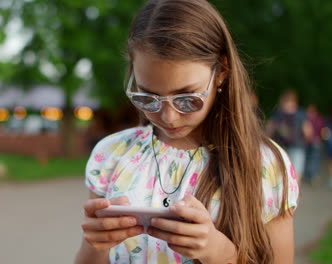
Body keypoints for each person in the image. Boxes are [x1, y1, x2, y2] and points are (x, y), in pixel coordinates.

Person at [75, 1, 299, 263]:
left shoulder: (265, 165)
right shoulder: (111, 154)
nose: (168, 117)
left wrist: (222, 253)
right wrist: (97, 245)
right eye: (148, 97)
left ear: (221, 72)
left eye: (187, 98)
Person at [266, 90, 311, 182]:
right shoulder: (300, 113)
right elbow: (307, 131)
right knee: (296, 174)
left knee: (280, 174)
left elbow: (269, 129)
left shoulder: (277, 113)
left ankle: (283, 194)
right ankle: (294, 194)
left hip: (279, 147)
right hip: (297, 147)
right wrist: (306, 141)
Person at [303, 104, 325, 185]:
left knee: (312, 159)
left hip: (312, 141)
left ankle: (310, 175)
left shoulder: (306, 119)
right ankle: (311, 176)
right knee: (312, 159)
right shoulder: (319, 119)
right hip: (314, 141)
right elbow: (323, 131)